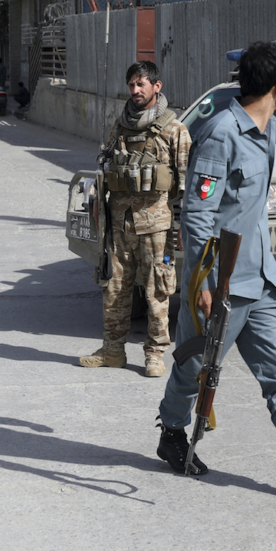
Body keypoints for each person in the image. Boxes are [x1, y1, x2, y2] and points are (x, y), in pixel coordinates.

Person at [154, 41, 276, 499]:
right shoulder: (222, 132)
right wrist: (199, 284)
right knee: (197, 370)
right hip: (219, 282)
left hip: (263, 279)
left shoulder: (268, 127)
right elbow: (198, 215)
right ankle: (171, 433)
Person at [79, 61, 190, 377]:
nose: (135, 90)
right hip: (120, 223)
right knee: (114, 288)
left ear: (157, 86)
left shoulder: (174, 129)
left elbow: (186, 183)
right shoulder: (121, 124)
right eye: (131, 85)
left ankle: (155, 355)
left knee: (157, 289)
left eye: (141, 84)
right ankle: (112, 351)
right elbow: (109, 168)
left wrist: (181, 226)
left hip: (156, 225)